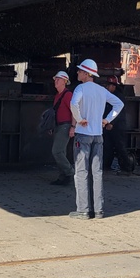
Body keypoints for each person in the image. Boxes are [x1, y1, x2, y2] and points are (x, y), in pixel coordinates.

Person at [69, 59, 123, 220]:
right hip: (98, 136)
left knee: (81, 172)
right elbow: (118, 104)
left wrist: (79, 119)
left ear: (86, 74)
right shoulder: (101, 91)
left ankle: (83, 210)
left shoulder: (81, 88)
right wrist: (107, 120)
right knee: (97, 172)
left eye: (79, 71)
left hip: (83, 136)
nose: (77, 73)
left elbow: (73, 104)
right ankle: (99, 210)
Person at [102, 76, 134, 174]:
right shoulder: (108, 96)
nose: (107, 87)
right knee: (108, 146)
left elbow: (118, 112)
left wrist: (111, 123)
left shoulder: (118, 96)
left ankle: (127, 167)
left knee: (120, 146)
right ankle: (106, 165)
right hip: (109, 125)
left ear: (114, 86)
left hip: (118, 126)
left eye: (109, 85)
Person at [49, 70, 74, 185]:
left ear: (64, 81)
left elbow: (74, 111)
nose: (56, 81)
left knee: (57, 151)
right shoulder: (58, 95)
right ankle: (63, 177)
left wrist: (73, 127)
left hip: (65, 126)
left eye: (58, 79)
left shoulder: (68, 95)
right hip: (59, 126)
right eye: (55, 79)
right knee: (61, 152)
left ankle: (69, 172)